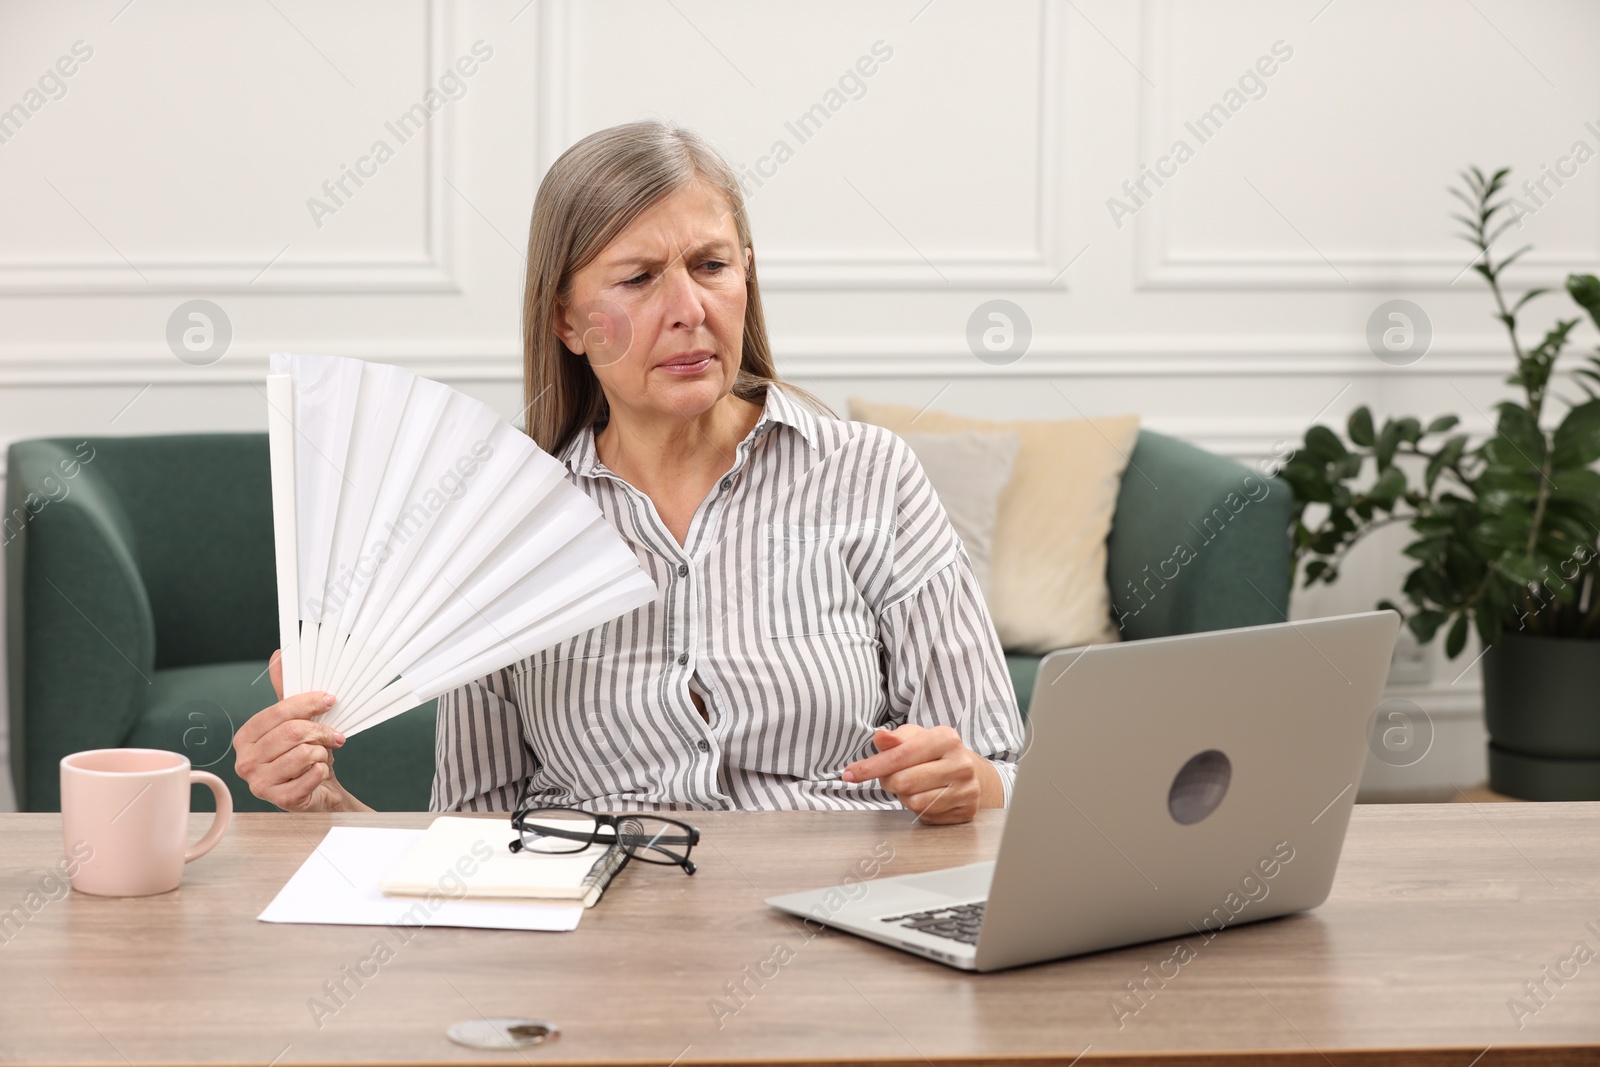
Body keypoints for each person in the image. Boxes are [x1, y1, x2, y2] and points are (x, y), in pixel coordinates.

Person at [234, 121, 1023, 825]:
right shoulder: (497, 528)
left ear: (746, 277)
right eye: (639, 278)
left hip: (837, 916)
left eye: (711, 265)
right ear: (567, 320)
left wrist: (972, 782)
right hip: (601, 937)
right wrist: (322, 801)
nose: (689, 308)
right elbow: (469, 838)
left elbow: (1003, 767)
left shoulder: (871, 475)